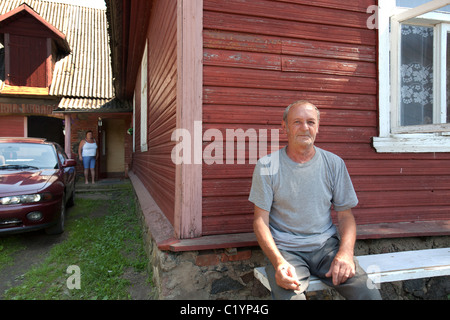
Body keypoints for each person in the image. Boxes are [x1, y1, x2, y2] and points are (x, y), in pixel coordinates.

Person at [249, 100, 381, 300]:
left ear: (318, 127)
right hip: (286, 250)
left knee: (368, 294)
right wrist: (278, 262)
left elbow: (346, 216)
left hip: (327, 248)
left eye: (310, 122)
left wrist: (345, 253)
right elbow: (260, 221)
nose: (305, 128)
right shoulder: (267, 166)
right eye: (297, 122)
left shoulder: (334, 164)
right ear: (284, 126)